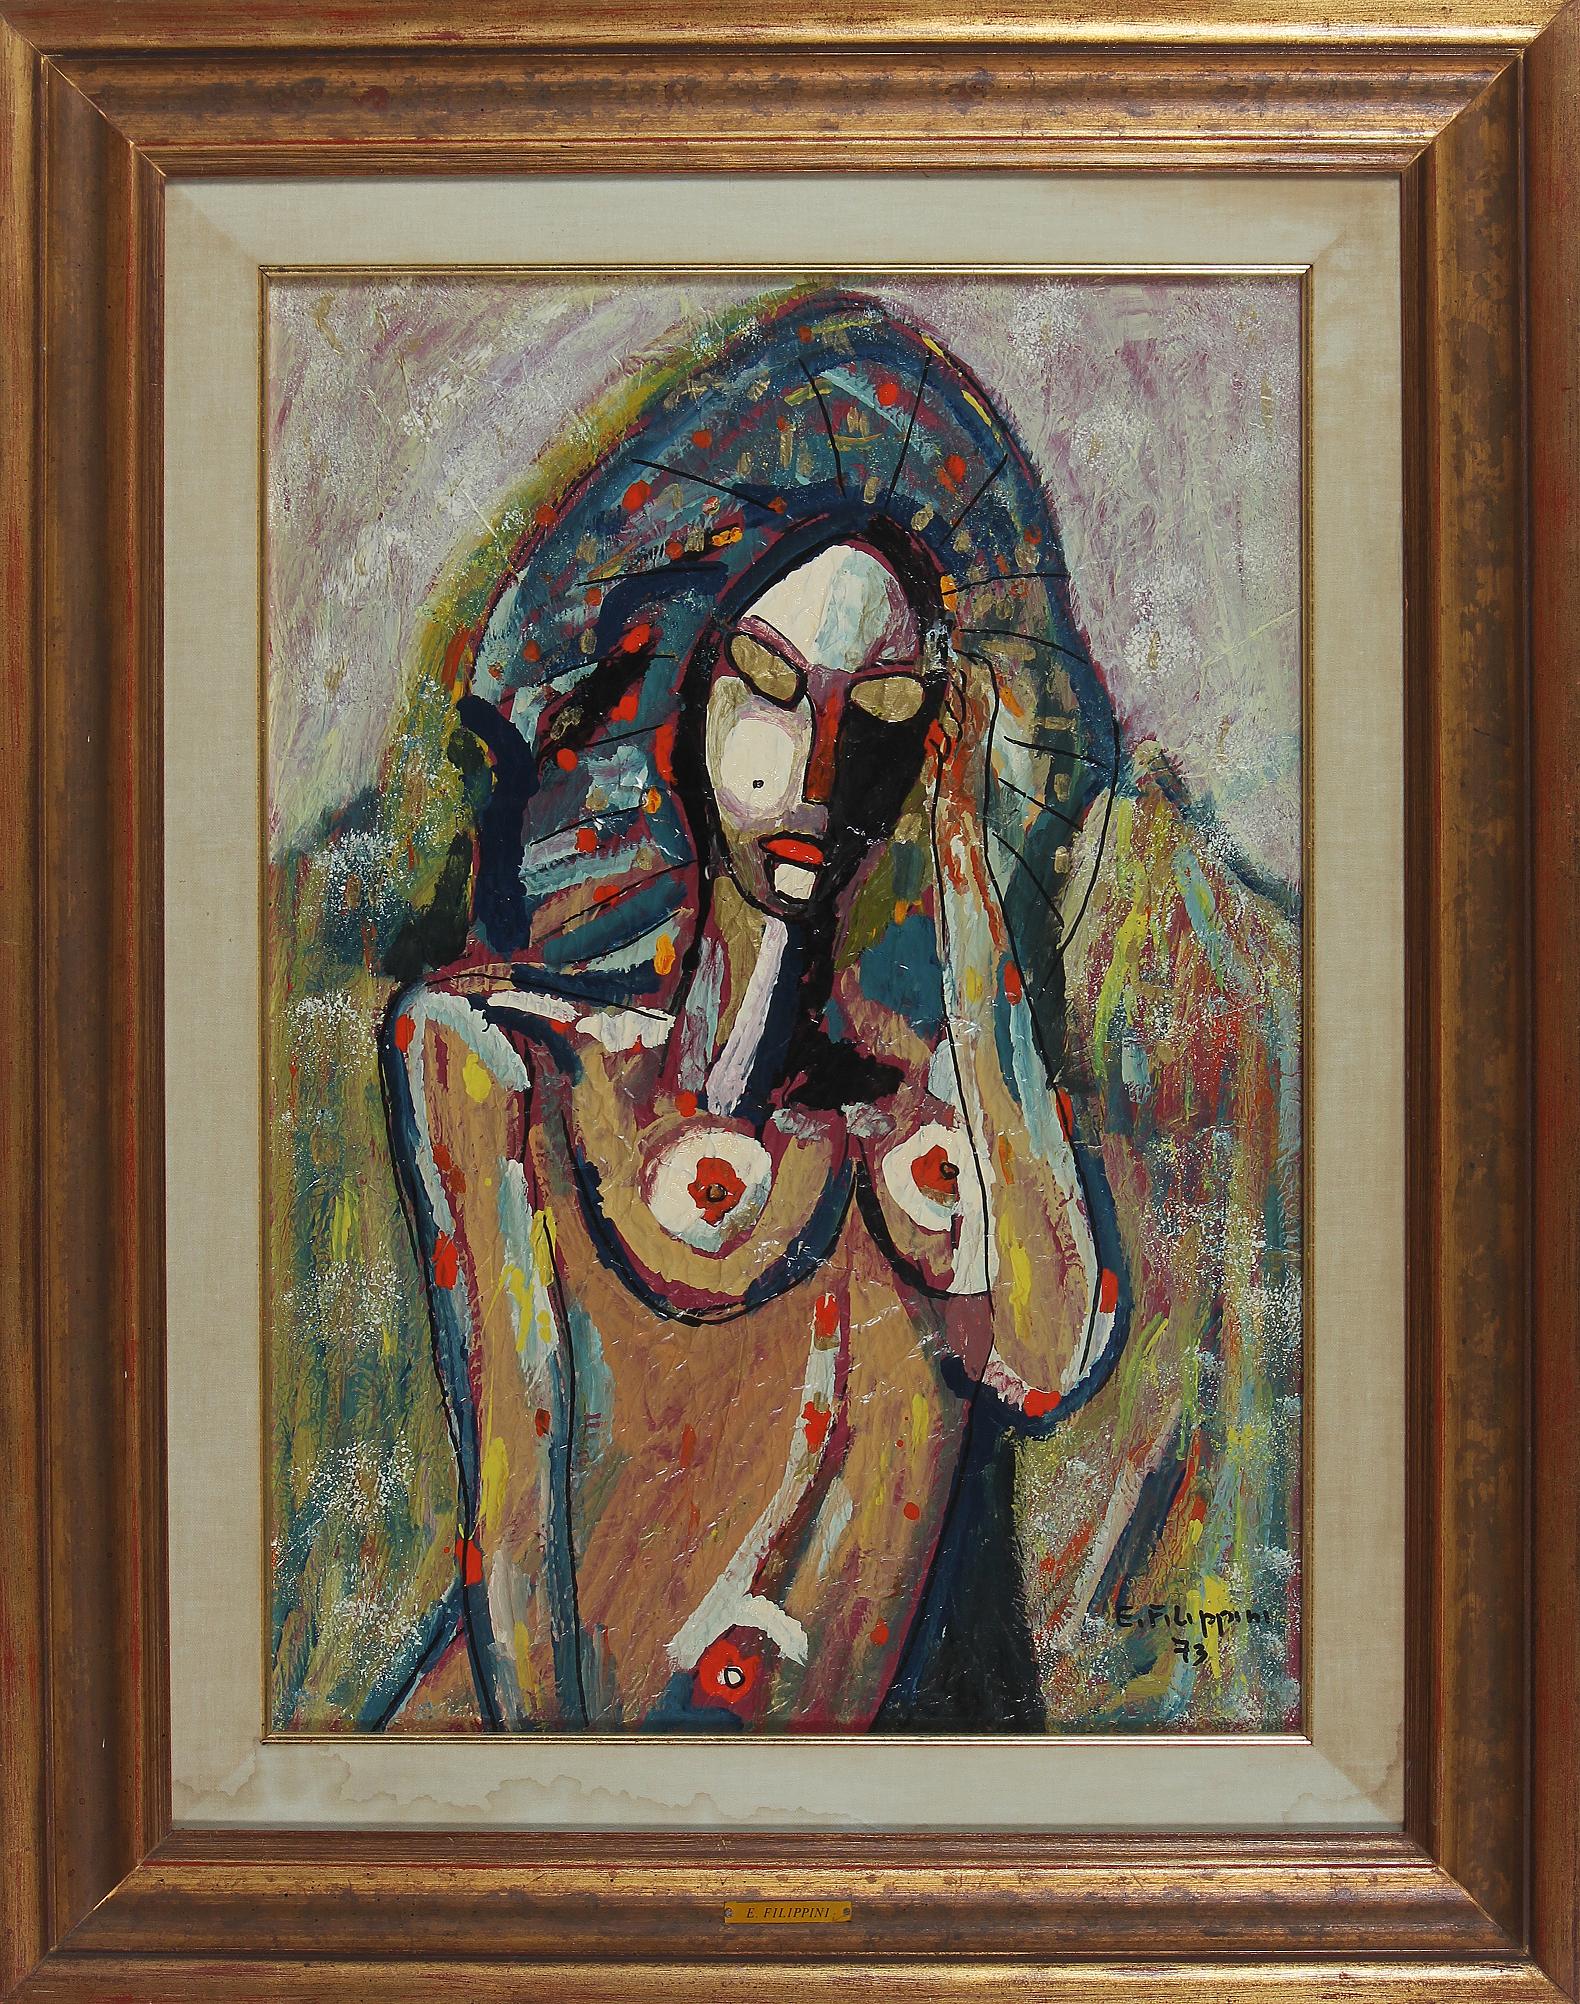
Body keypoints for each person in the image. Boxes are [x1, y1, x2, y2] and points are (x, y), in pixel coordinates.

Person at [378, 292, 1131, 1730]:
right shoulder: (498, 1062)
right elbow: (524, 1599)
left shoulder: (923, 1126)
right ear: (683, 691)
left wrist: (969, 893)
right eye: (774, 688)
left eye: (885, 711)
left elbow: (1048, 1361)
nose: (821, 763)